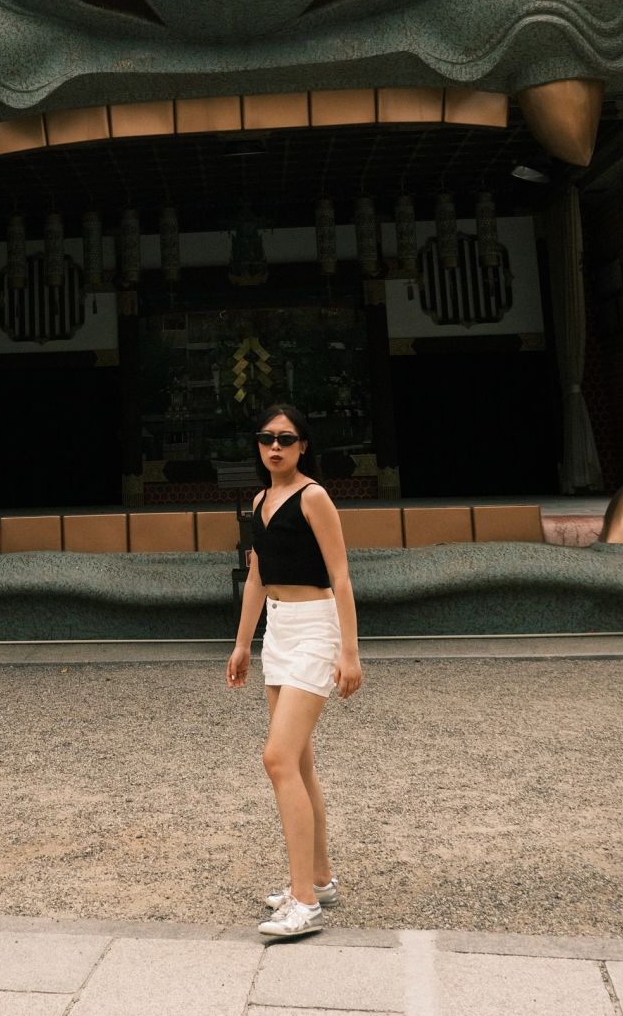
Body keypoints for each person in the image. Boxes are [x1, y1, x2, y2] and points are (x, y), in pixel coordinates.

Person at [226, 402, 362, 940]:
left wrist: (349, 653)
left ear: (304, 445)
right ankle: (320, 879)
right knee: (300, 764)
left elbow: (342, 576)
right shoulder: (259, 500)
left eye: (286, 438)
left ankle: (303, 901)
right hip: (278, 632)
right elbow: (257, 578)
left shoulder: (315, 496)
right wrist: (242, 645)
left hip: (315, 630)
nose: (275, 447)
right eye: (265, 438)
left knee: (277, 757)